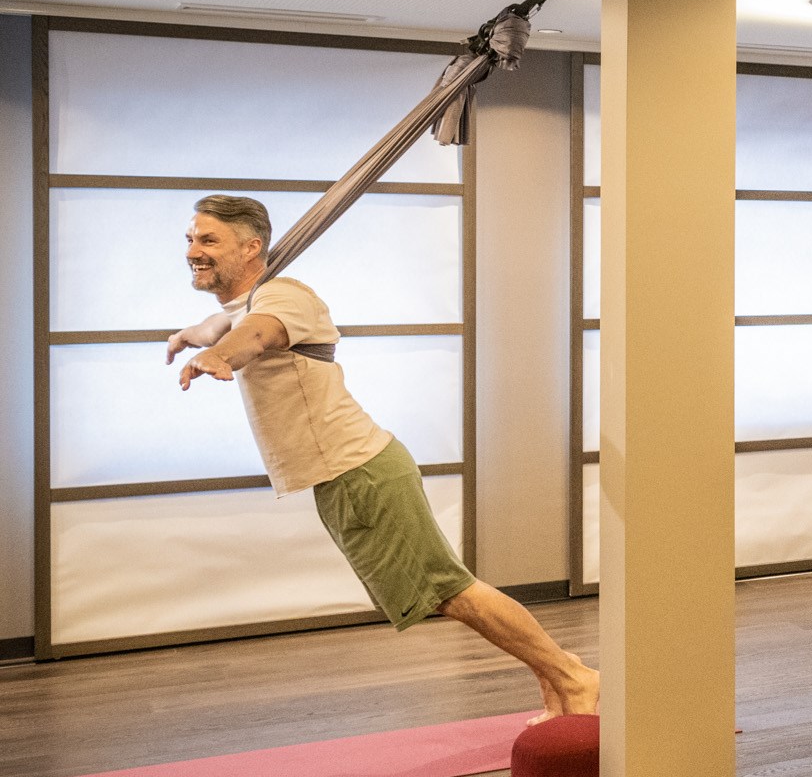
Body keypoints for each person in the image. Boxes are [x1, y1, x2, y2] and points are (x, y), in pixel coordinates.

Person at [168, 196, 598, 721]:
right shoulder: (247, 304)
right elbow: (226, 322)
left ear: (252, 247)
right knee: (446, 590)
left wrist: (218, 355)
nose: (193, 250)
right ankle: (559, 678)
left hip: (361, 473)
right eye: (190, 239)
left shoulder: (284, 296)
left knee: (450, 591)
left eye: (208, 240)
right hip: (345, 476)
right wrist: (192, 335)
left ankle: (573, 676)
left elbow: (256, 335)